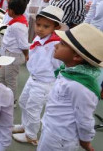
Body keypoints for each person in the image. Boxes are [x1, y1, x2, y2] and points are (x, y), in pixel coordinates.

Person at [38, 23, 103, 151]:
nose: (56, 45)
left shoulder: (79, 86)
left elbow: (84, 120)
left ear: (77, 56)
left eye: (62, 44)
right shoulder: (70, 72)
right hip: (52, 130)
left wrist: (86, 142)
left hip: (60, 140)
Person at [12, 5, 66, 145]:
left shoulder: (55, 45)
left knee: (33, 108)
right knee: (24, 102)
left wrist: (53, 81)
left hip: (44, 82)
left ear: (56, 28)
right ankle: (25, 126)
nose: (40, 29)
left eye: (46, 26)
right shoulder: (40, 38)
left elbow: (58, 66)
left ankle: (31, 135)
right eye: (38, 24)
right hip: (33, 77)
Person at [0, 0, 29, 105]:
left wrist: (26, 56)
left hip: (12, 55)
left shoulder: (18, 26)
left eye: (8, 9)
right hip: (6, 52)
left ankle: (12, 101)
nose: (7, 11)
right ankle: (2, 96)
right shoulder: (16, 22)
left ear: (12, 11)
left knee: (10, 79)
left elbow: (24, 44)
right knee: (1, 76)